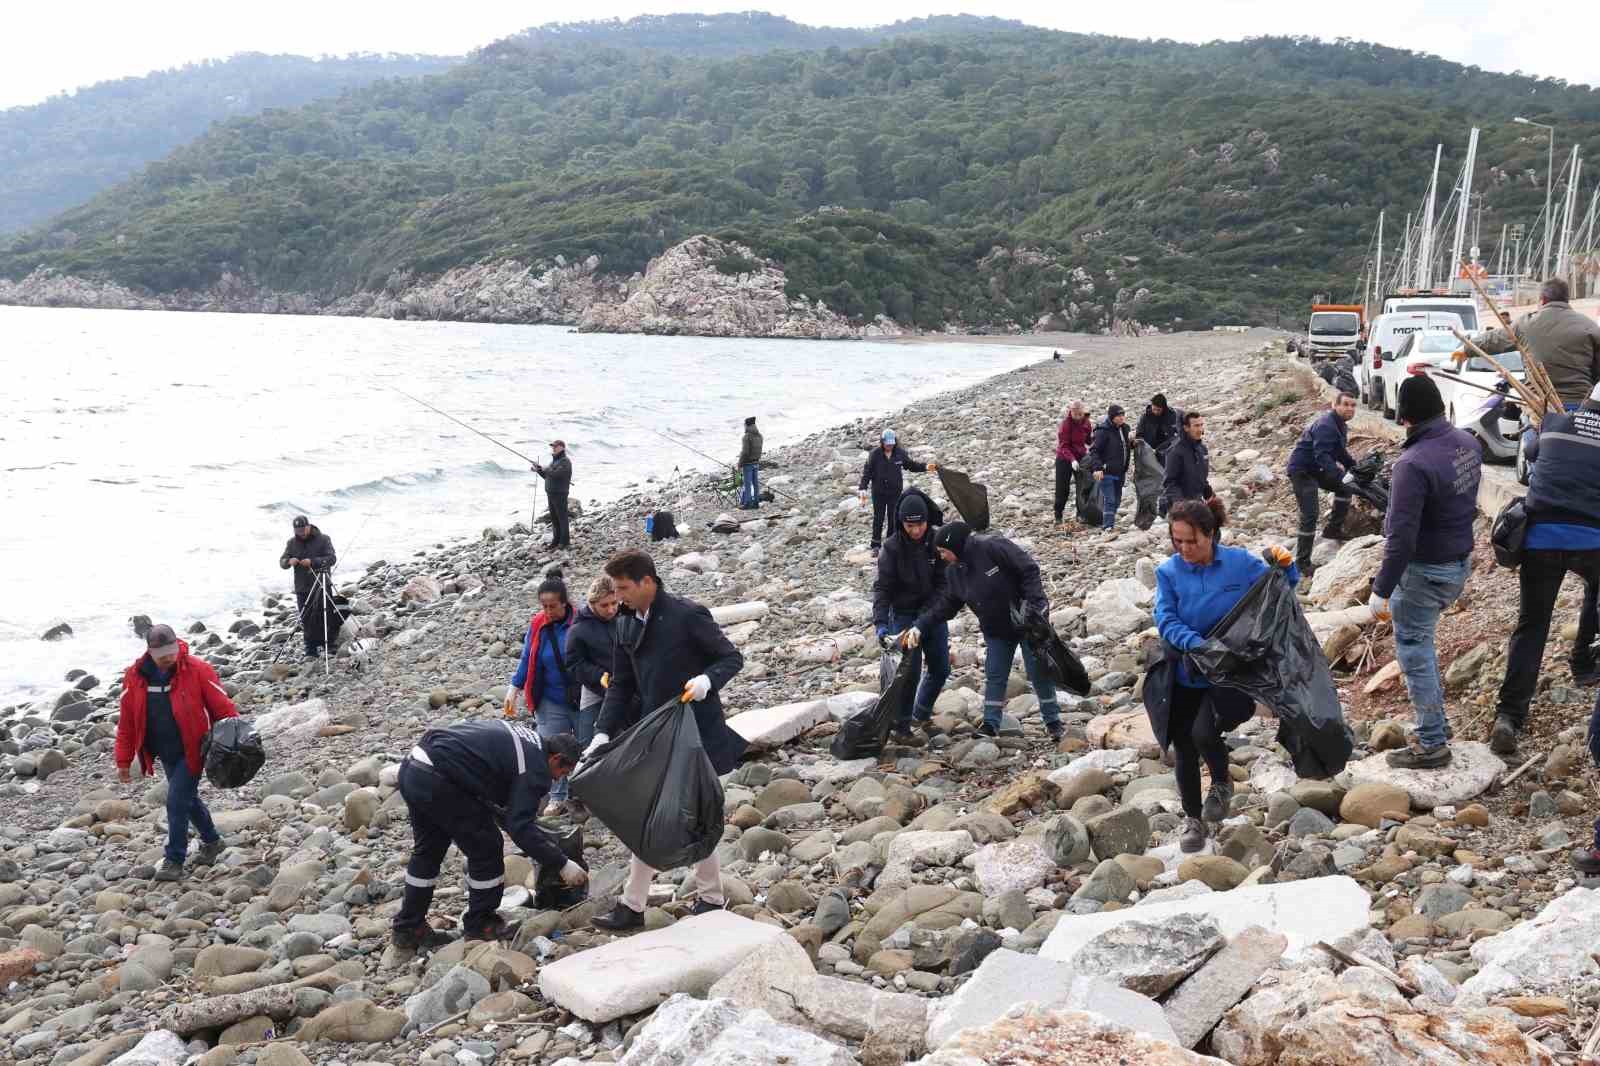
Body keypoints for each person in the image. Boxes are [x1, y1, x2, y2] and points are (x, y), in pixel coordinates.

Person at [588, 550, 746, 931]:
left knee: (691, 815)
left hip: (697, 735)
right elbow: (621, 684)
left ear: (647, 582)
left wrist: (708, 681)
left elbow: (730, 657)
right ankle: (646, 904)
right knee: (652, 815)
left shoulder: (686, 615)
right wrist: (602, 732)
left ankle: (693, 899)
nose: (619, 597)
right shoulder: (626, 622)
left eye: (624, 588)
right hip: (655, 734)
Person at [1151, 500, 1298, 852]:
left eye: (1192, 541)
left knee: (1205, 732)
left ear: (1211, 534)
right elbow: (1166, 618)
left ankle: (1220, 782)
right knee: (1184, 746)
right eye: (1178, 541)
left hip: (1230, 673)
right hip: (1187, 670)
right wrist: (1196, 644)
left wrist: (1288, 567)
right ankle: (1192, 819)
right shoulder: (1169, 572)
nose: (1184, 549)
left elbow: (1277, 591)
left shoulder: (1239, 564)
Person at [1367, 376, 1482, 769]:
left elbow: (1401, 538)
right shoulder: (1468, 443)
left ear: (1405, 417)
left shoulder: (1411, 465)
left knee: (1414, 650)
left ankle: (1431, 742)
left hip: (1425, 572)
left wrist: (1380, 590)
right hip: (1458, 563)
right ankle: (1438, 724)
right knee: (1424, 644)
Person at [391, 720, 584, 951]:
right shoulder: (536, 767)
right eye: (563, 771)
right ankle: (480, 924)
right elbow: (519, 826)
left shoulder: (529, 743)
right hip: (439, 778)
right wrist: (561, 863)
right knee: (487, 847)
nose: (558, 779)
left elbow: (496, 804)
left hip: (415, 767)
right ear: (555, 758)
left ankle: (408, 928)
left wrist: (535, 839)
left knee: (428, 851)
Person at [1490, 381, 1600, 754]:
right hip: (1591, 541)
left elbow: (1533, 451)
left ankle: (1509, 716)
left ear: (1586, 401)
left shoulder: (1556, 421)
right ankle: (1583, 663)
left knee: (1532, 624)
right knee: (1594, 593)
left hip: (1539, 539)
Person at [908, 522, 1065, 743]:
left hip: (1028, 623)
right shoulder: (954, 572)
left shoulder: (993, 547)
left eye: (943, 551)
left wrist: (1037, 606)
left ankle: (1053, 722)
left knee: (1038, 671)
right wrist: (920, 626)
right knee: (995, 675)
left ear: (955, 545)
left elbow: (1028, 569)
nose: (941, 556)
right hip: (996, 630)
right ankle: (991, 725)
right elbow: (947, 605)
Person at [114, 624, 238, 882]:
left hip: (194, 748)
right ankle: (213, 841)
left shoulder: (197, 670)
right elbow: (126, 722)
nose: (168, 658)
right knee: (187, 800)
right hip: (164, 751)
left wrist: (236, 740)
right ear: (150, 652)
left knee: (176, 801)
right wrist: (124, 760)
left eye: (171, 651)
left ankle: (174, 860)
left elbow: (224, 709)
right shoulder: (135, 677)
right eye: (162, 654)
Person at [872, 489, 951, 742]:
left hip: (933, 614)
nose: (915, 531)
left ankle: (922, 712)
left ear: (927, 521)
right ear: (901, 523)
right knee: (909, 673)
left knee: (940, 668)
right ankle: (902, 726)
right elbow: (883, 588)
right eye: (910, 526)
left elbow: (944, 585)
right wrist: (882, 625)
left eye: (920, 525)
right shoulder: (892, 548)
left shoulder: (937, 541)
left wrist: (927, 619)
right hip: (903, 615)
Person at [504, 572, 579, 814]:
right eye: (544, 606)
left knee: (586, 746)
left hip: (582, 696)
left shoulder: (581, 621)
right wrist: (514, 687)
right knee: (550, 749)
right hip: (548, 697)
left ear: (565, 603)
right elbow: (528, 656)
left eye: (553, 606)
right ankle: (557, 797)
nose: (548, 611)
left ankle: (582, 796)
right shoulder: (538, 624)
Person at [1476, 278, 1600, 409]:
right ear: (1566, 299)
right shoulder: (1589, 326)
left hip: (1539, 405)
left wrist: (1465, 350)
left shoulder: (1527, 323)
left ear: (1543, 300)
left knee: (1532, 427)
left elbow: (1495, 339)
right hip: (1578, 404)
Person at [565, 574, 626, 809]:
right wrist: (597, 676)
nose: (611, 609)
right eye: (605, 605)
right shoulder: (579, 630)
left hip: (626, 685)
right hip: (593, 689)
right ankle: (578, 794)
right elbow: (574, 664)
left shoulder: (626, 617)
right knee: (587, 741)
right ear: (592, 604)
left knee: (624, 735)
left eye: (614, 603)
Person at [1286, 393, 1361, 573]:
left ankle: (1333, 529)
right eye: (1346, 405)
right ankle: (1302, 563)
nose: (1350, 408)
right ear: (1335, 405)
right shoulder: (1327, 425)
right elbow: (1322, 455)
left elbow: (1339, 451)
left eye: (1353, 405)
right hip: (1302, 471)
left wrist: (1354, 467)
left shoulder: (1340, 424)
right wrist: (1338, 474)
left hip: (1316, 469)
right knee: (1310, 514)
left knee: (1344, 489)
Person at [859, 429, 938, 552]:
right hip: (878, 492)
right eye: (887, 444)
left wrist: (926, 467)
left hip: (894, 492)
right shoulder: (875, 454)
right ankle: (875, 545)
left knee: (893, 517)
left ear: (895, 442)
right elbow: (867, 472)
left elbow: (911, 465)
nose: (889, 446)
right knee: (878, 517)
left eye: (891, 443)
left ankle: (891, 542)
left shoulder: (900, 453)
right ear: (882, 442)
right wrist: (862, 488)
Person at [279, 515, 338, 658]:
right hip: (302, 587)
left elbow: (332, 558)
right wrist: (288, 561)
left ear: (309, 526)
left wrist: (313, 561)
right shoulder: (291, 543)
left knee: (325, 615)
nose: (301, 533)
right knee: (306, 618)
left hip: (320, 584)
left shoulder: (324, 539)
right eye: (297, 531)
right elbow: (282, 562)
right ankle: (310, 649)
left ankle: (329, 645)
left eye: (303, 529)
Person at [1088, 404, 1132, 531]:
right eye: (1118, 415)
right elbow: (1094, 450)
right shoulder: (1103, 431)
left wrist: (1133, 443)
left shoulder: (1125, 429)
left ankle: (1108, 522)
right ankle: (1108, 526)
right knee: (1110, 499)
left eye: (1123, 415)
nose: (1121, 417)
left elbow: (1125, 446)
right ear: (1112, 417)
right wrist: (1097, 468)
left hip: (1120, 471)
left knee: (1117, 500)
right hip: (1106, 471)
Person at [1054, 401, 1093, 524]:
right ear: (1071, 412)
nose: (1077, 417)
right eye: (1075, 414)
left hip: (1081, 457)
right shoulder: (1066, 425)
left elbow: (1088, 440)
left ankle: (1080, 514)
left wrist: (1095, 442)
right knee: (1062, 488)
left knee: (1082, 487)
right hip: (1064, 458)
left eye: (1080, 414)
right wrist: (1072, 460)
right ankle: (1058, 516)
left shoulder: (1086, 423)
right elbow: (1064, 446)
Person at [1163, 410, 1213, 507]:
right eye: (1196, 426)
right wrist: (1182, 505)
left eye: (1201, 425)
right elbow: (1169, 483)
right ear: (1186, 428)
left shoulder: (1202, 449)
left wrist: (1209, 494)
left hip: (1197, 502)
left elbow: (1201, 478)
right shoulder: (1175, 451)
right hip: (1180, 507)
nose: (1200, 429)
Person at [533, 440, 573, 550]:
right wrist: (539, 470)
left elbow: (556, 474)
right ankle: (556, 541)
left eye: (555, 446)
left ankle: (564, 542)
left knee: (562, 518)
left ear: (562, 448)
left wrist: (545, 468)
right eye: (553, 447)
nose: (553, 448)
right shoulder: (553, 462)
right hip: (551, 493)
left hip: (560, 493)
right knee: (554, 519)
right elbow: (547, 476)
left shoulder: (565, 462)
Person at [1136, 393, 1181, 460]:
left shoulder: (1172, 416)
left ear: (1164, 408)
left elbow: (1178, 433)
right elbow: (1139, 434)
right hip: (1150, 450)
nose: (1156, 412)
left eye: (1158, 410)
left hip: (1167, 449)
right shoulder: (1145, 417)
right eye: (1154, 409)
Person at [737, 416, 764, 510]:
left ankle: (748, 503)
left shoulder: (746, 437)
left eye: (744, 425)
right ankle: (756, 503)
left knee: (747, 484)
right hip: (756, 462)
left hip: (748, 464)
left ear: (747, 425)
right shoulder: (760, 436)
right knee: (755, 483)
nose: (744, 427)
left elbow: (745, 452)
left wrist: (739, 464)